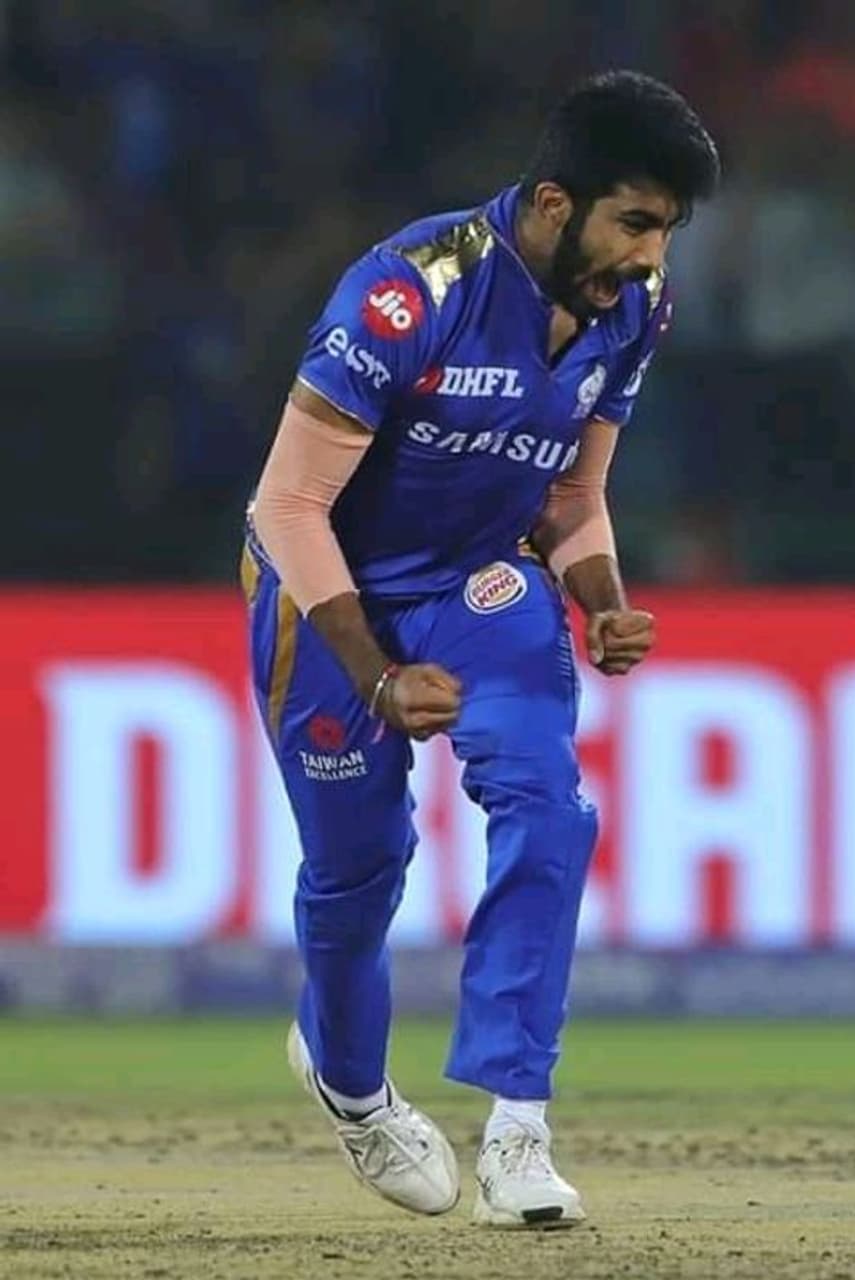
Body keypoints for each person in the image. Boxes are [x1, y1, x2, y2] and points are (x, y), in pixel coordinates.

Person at [241, 70, 719, 1228]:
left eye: (665, 230)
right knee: (357, 876)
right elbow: (286, 506)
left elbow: (570, 494)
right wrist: (376, 674)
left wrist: (600, 598)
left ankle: (518, 1128)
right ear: (554, 203)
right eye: (635, 222)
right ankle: (352, 1086)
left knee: (551, 804)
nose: (650, 257)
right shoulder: (409, 292)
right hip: (330, 592)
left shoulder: (632, 307)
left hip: (478, 579)